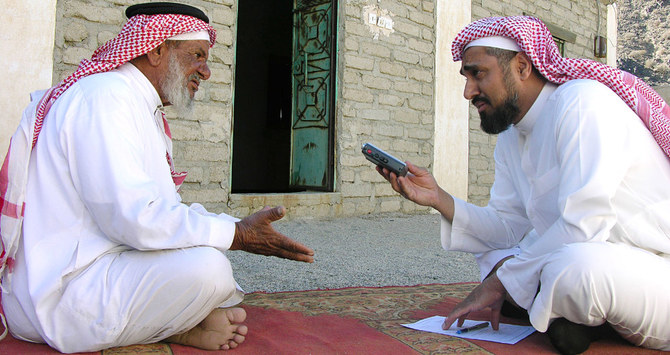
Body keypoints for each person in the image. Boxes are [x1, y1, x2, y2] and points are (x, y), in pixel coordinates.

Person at [0, 2, 314, 352]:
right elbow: (135, 219)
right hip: (60, 295)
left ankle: (168, 322)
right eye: (197, 55)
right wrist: (237, 235)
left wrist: (235, 225)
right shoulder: (107, 98)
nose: (206, 71)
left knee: (207, 260)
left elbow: (162, 211)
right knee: (209, 270)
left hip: (103, 269)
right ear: (155, 49)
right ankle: (173, 326)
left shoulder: (136, 104)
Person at [377, 15, 670, 354]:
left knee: (575, 267)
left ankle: (566, 311)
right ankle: (566, 313)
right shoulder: (512, 136)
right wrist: (439, 198)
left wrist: (501, 284)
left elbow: (584, 225)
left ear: (522, 66)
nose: (468, 91)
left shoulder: (582, 104)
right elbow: (506, 225)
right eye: (466, 77)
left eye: (478, 74)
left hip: (654, 267)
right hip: (592, 260)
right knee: (496, 254)